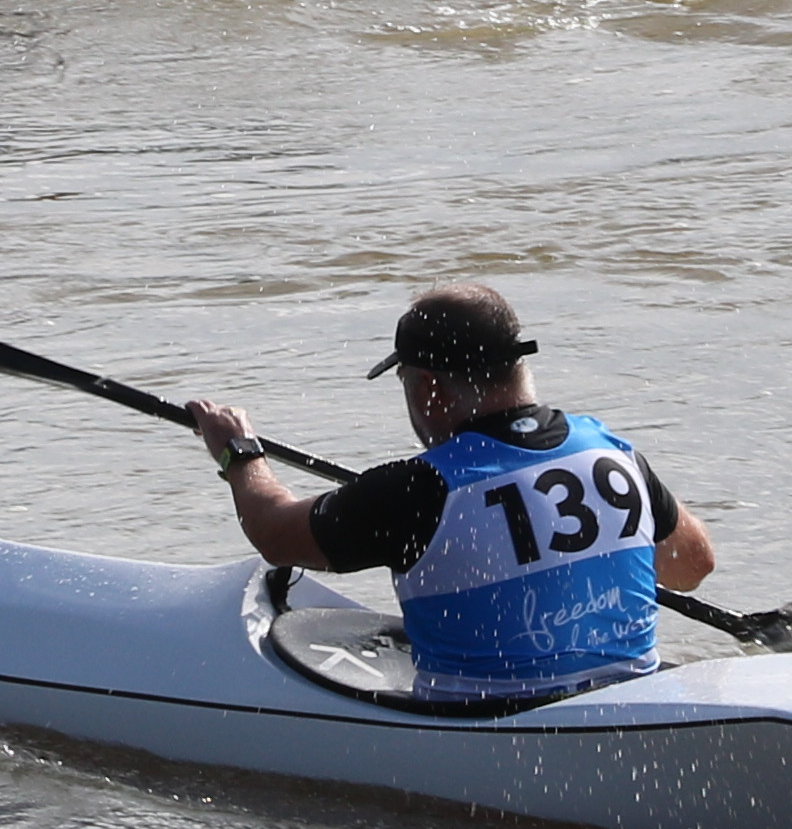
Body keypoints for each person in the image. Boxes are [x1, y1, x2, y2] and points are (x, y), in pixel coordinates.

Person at [186, 284, 716, 692]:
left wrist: (240, 454)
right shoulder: (613, 453)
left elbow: (276, 534)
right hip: (629, 706)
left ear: (429, 388)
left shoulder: (417, 490)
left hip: (486, 731)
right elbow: (692, 566)